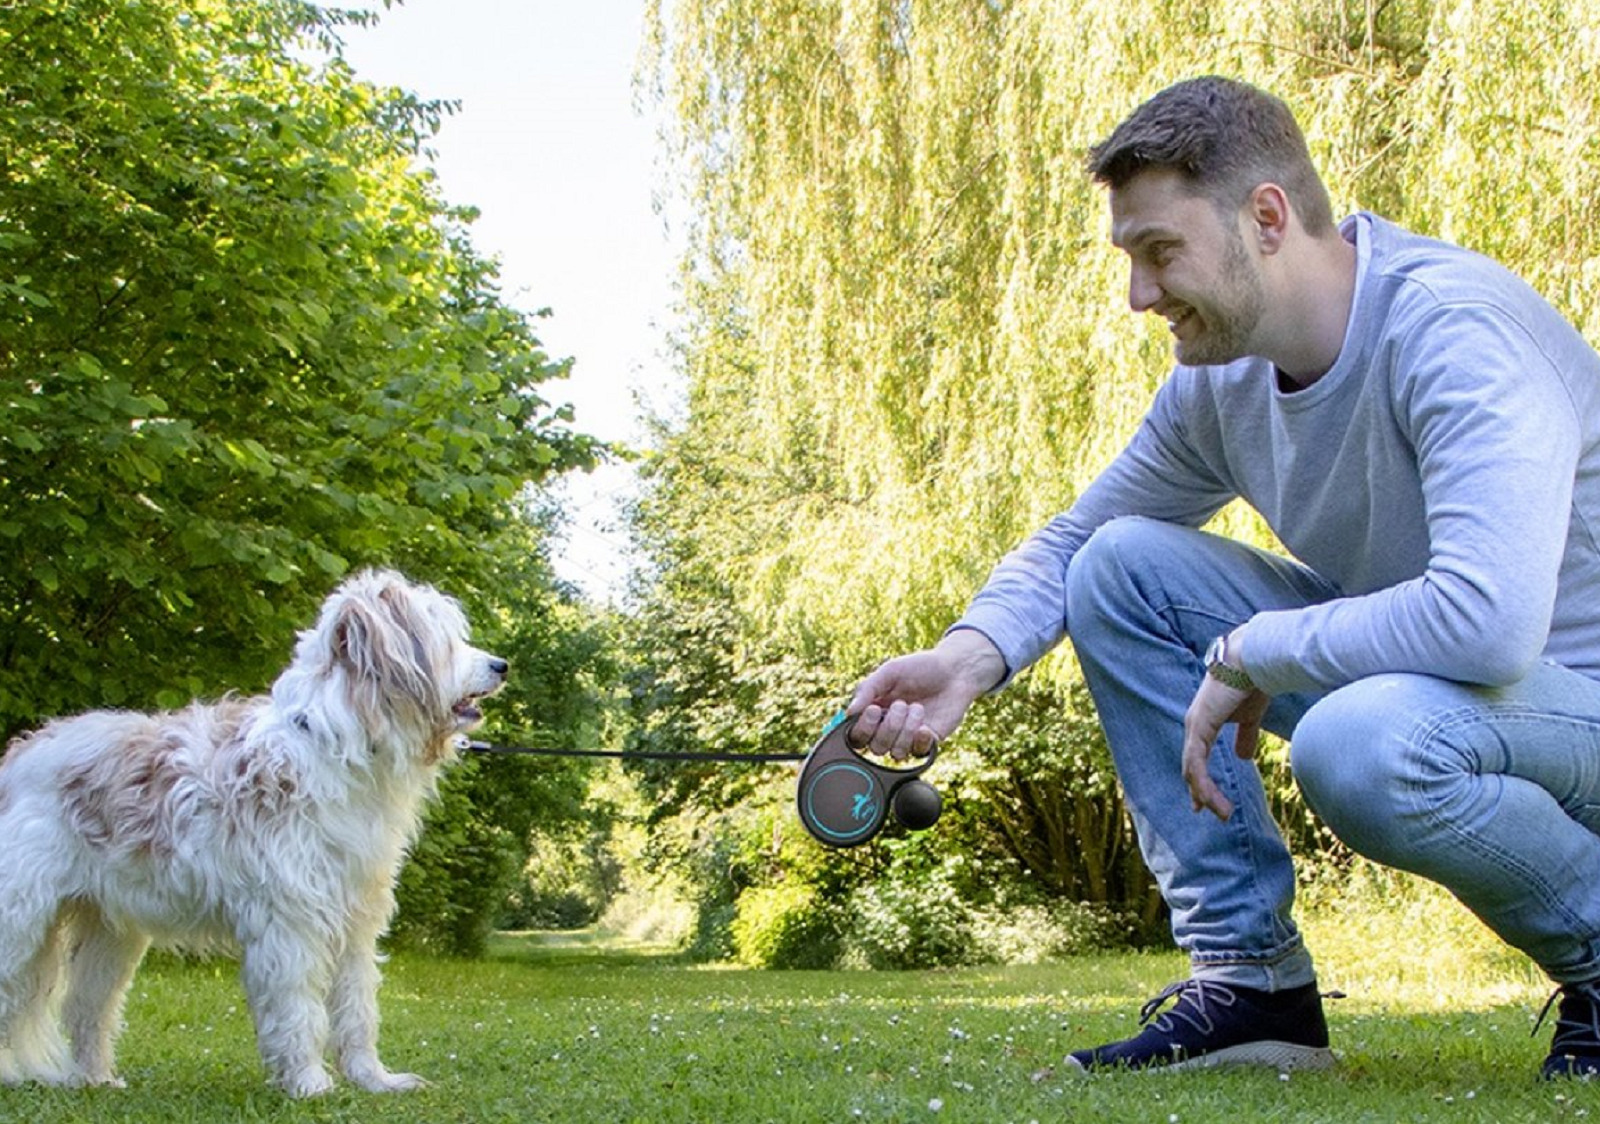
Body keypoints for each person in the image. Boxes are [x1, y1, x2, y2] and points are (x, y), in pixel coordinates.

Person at [846, 74, 1600, 1077]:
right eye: (1131, 259)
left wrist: (1257, 648)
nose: (1139, 295)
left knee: (1358, 742)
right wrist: (967, 657)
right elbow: (1080, 540)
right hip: (1461, 696)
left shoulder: (1453, 330)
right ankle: (1253, 986)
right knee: (1120, 568)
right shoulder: (1221, 383)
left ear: (1267, 219)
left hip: (1574, 701)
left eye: (1160, 252)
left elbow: (1488, 622)